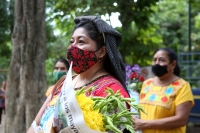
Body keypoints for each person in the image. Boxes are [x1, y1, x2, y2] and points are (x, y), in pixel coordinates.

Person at [27, 16, 130, 133]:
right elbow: (35, 125)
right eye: (72, 42)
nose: (73, 47)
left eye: (81, 41)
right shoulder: (63, 84)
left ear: (101, 51)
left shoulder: (112, 91)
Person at [133, 48, 194, 133]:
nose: (156, 63)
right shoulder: (147, 83)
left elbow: (181, 120)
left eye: (162, 60)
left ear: (173, 64)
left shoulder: (182, 86)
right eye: (154, 60)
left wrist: (145, 124)